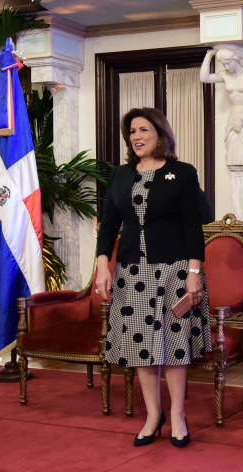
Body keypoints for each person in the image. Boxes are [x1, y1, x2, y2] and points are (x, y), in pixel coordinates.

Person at [95, 107, 211, 448]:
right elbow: (109, 223)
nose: (137, 136)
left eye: (144, 130)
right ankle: (152, 415)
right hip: (131, 272)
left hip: (175, 270)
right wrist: (102, 264)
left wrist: (194, 272)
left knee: (173, 346)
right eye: (132, 131)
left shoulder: (182, 172)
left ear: (160, 134)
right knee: (140, 346)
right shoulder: (120, 175)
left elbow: (193, 225)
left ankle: (177, 415)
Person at [200, 45, 243, 166]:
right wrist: (209, 55)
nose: (226, 67)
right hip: (233, 113)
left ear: (236, 58)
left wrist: (241, 118)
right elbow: (204, 77)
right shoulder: (225, 75)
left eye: (228, 63)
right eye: (224, 64)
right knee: (232, 147)